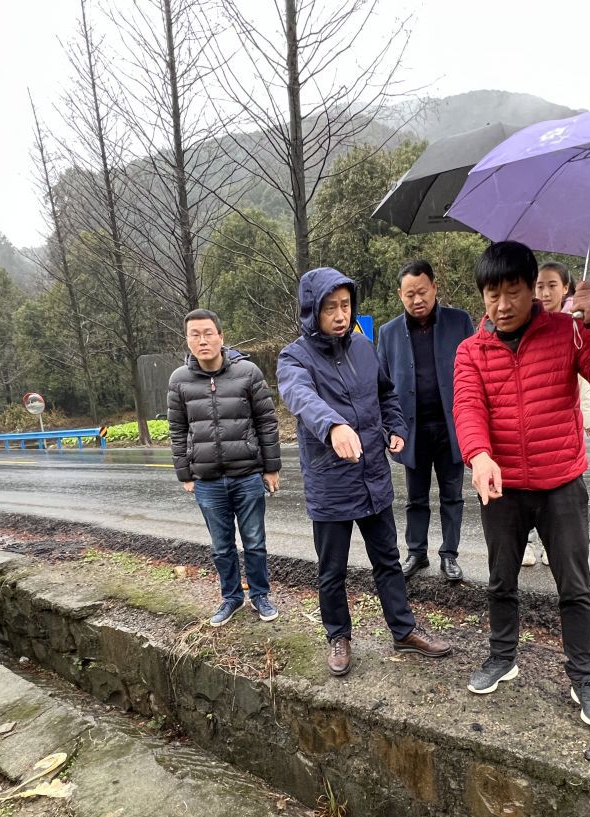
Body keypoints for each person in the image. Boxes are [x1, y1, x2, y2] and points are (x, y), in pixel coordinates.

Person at [453, 241, 590, 728]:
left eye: (513, 292)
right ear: (482, 296)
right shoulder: (471, 350)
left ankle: (584, 677)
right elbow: (468, 407)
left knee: (574, 586)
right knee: (501, 579)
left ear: (532, 290)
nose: (503, 305)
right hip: (503, 486)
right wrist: (479, 456)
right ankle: (502, 657)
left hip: (561, 483)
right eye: (492, 294)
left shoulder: (566, 331)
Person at [277, 267, 452, 676]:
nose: (340, 315)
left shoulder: (362, 346)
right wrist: (333, 426)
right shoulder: (294, 357)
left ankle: (403, 631)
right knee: (332, 570)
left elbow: (386, 394)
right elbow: (299, 396)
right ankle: (338, 636)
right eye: (330, 308)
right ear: (312, 310)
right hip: (330, 481)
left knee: (388, 560)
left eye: (345, 305)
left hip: (372, 474)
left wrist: (395, 427)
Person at [168, 309, 283, 626]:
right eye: (195, 335)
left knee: (255, 542)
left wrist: (271, 467)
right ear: (187, 340)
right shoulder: (179, 380)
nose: (202, 340)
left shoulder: (247, 372)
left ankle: (259, 595)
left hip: (247, 475)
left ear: (221, 336)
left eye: (208, 333)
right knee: (221, 547)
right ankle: (231, 597)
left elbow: (266, 422)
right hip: (206, 480)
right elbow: (177, 429)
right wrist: (185, 473)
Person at [376, 260, 475, 583]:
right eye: (410, 294)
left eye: (422, 292)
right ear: (400, 295)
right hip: (412, 429)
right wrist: (390, 429)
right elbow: (382, 387)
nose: (417, 300)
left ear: (434, 288)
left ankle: (449, 555)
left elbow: (476, 372)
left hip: (452, 426)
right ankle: (417, 552)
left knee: (452, 495)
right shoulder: (389, 333)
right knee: (415, 498)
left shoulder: (459, 322)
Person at [525, 261, 590, 567]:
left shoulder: (577, 323)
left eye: (552, 285)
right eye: (540, 286)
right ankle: (527, 542)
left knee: (558, 489)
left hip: (563, 421)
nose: (545, 293)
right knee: (525, 487)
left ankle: (551, 544)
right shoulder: (524, 321)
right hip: (531, 421)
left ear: (565, 289)